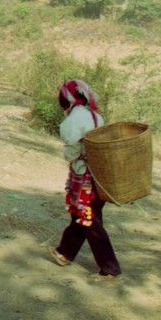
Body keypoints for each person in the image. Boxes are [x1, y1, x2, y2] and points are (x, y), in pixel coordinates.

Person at [52, 79, 120, 278]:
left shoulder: (73, 120)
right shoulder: (98, 117)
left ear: (67, 99)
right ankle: (64, 252)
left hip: (85, 178)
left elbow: (71, 152)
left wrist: (71, 155)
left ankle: (110, 268)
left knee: (90, 220)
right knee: (83, 215)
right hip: (100, 176)